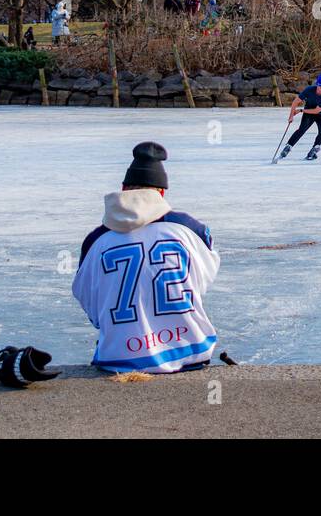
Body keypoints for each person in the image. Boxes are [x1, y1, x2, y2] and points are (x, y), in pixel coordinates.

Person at [72, 142, 220, 373]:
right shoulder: (191, 230)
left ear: (123, 188)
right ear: (161, 192)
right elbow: (200, 282)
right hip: (191, 351)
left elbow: (87, 298)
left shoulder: (95, 240)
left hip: (118, 358)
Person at [280, 73, 321, 160]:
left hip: (320, 114)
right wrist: (291, 116)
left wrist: (301, 110)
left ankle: (315, 148)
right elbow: (295, 102)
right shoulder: (309, 90)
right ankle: (288, 146)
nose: (320, 89)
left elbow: (316, 111)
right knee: (302, 129)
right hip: (308, 113)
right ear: (316, 85)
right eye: (319, 86)